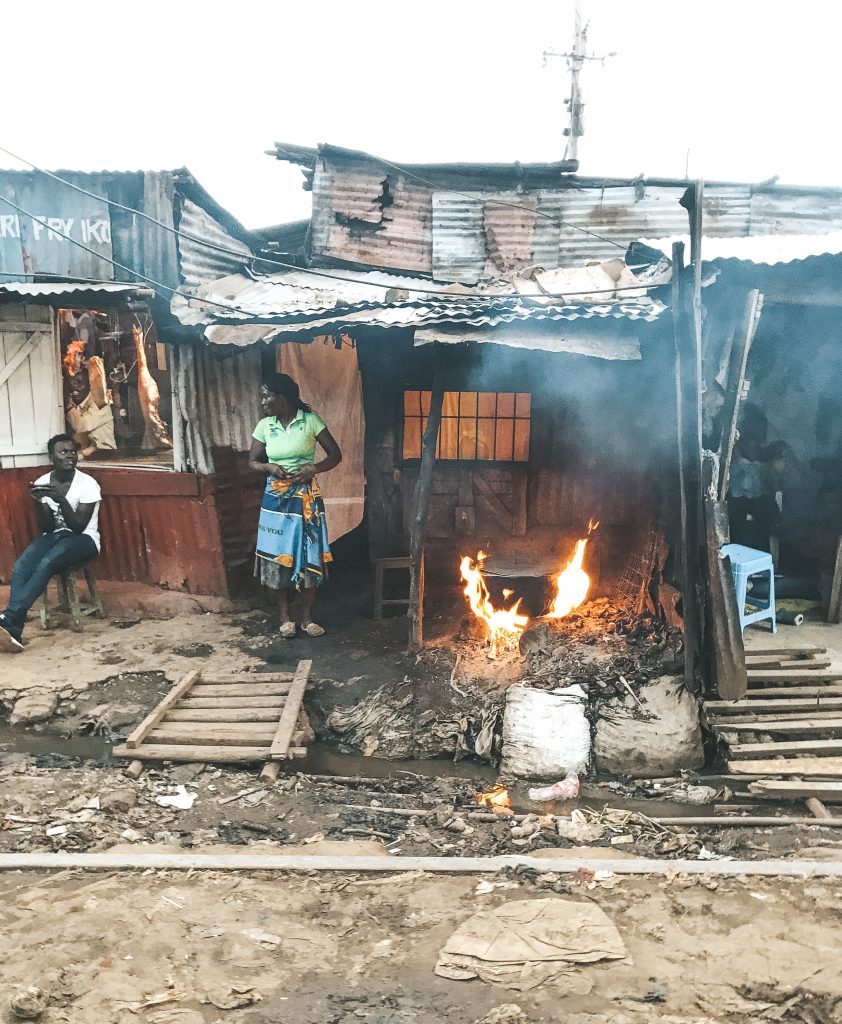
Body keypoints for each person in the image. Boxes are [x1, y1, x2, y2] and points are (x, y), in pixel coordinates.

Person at [248, 373, 342, 638]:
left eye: (267, 395)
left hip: (305, 499)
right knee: (277, 553)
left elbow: (335, 455)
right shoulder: (265, 425)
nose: (263, 401)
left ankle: (307, 618)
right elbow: (252, 461)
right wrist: (268, 466)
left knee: (308, 552)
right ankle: (285, 619)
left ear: (283, 397)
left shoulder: (310, 421)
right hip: (275, 500)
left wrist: (315, 468)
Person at [0, 434, 102, 652]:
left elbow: (78, 527)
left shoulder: (88, 484)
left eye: (73, 451)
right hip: (55, 536)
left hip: (84, 540)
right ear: (51, 457)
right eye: (63, 452)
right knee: (21, 566)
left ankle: (10, 618)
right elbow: (47, 528)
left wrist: (60, 499)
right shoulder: (42, 482)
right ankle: (13, 630)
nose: (70, 456)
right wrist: (39, 503)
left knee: (47, 563)